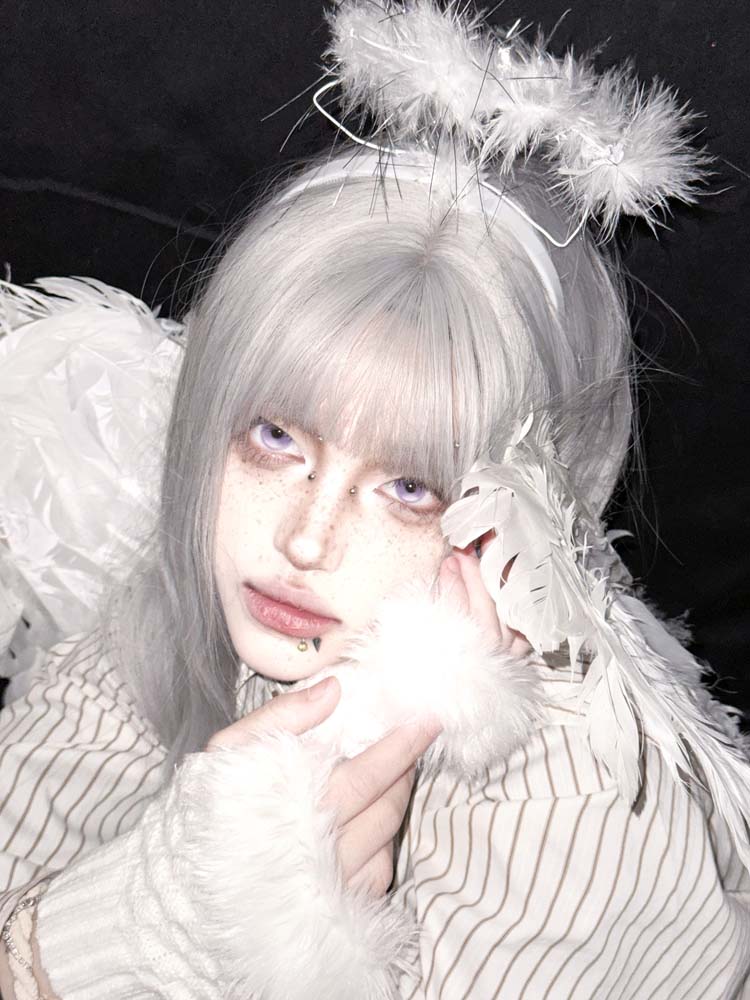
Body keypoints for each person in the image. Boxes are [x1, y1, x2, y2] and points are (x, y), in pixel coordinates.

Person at [1, 2, 749, 997]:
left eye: (407, 486)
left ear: (511, 510)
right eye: (276, 437)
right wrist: (116, 934)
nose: (304, 539)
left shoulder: (583, 808)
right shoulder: (168, 619)